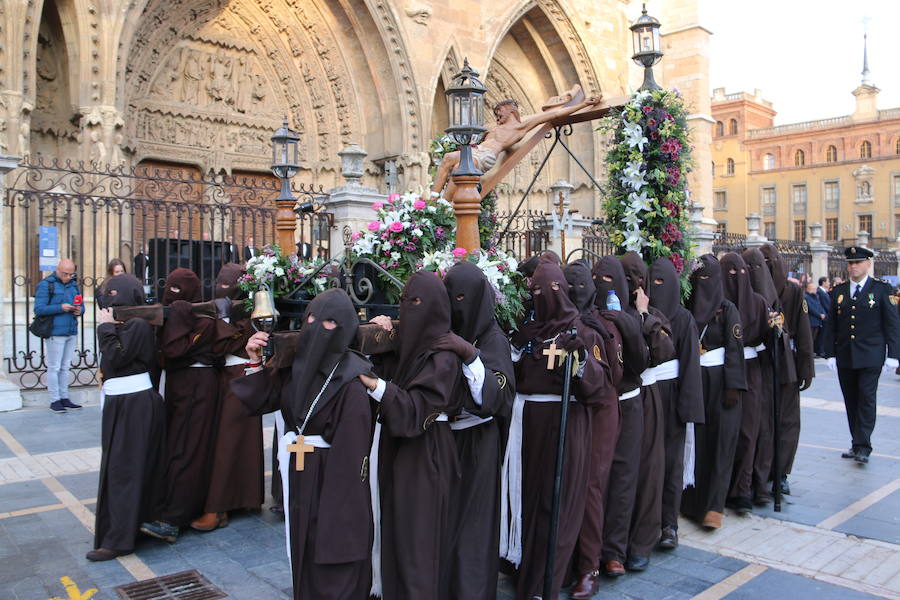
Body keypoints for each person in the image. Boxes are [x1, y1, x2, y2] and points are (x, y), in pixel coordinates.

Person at [232, 289, 375, 599]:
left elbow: (350, 463)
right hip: (301, 477)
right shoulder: (297, 367)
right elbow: (263, 400)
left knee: (331, 564)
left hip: (332, 487)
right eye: (310, 318)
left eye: (328, 322)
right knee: (303, 558)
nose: (315, 325)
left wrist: (333, 522)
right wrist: (256, 362)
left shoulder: (353, 382)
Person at [506, 259, 613, 600]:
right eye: (536, 290)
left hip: (566, 425)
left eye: (551, 289)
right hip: (529, 428)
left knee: (558, 503)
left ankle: (545, 584)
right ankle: (528, 573)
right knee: (529, 500)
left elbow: (599, 388)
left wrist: (581, 362)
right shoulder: (527, 330)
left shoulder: (580, 330)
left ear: (563, 290)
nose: (543, 296)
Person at [361, 270, 466, 599]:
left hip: (428, 452)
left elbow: (417, 410)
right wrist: (377, 339)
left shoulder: (444, 356)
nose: (409, 308)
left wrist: (375, 385)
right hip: (396, 448)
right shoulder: (405, 344)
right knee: (394, 529)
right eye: (405, 301)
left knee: (420, 539)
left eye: (417, 301)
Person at [441, 261, 516, 600]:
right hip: (446, 440)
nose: (458, 305)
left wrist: (470, 359)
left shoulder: (493, 339)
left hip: (478, 442)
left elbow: (499, 396)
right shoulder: (443, 330)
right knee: (446, 519)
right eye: (450, 297)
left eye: (463, 297)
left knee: (474, 521)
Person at [88, 274, 165, 561]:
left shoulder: (138, 325)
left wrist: (106, 329)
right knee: (119, 468)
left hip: (135, 405)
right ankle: (125, 529)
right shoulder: (126, 325)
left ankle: (120, 539)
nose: (107, 299)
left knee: (126, 471)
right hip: (121, 402)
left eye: (112, 294)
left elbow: (117, 358)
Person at [141, 268, 219, 543]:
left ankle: (175, 517)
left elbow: (175, 350)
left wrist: (180, 317)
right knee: (173, 447)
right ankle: (165, 507)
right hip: (176, 387)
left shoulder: (204, 319)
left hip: (197, 387)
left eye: (177, 290)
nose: (170, 296)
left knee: (188, 450)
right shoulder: (170, 315)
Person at [565, 260, 625, 596]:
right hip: (567, 412)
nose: (576, 292)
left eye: (582, 285)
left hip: (599, 411)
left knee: (590, 485)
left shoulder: (604, 324)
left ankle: (590, 566)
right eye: (567, 285)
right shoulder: (556, 320)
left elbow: (611, 376)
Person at [431, 87, 601, 200]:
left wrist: (584, 104)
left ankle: (444, 205)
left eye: (500, 112)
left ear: (511, 110)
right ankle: (433, 200)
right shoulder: (492, 126)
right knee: (448, 158)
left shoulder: (520, 127)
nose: (497, 116)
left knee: (461, 168)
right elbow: (466, 130)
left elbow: (555, 115)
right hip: (477, 151)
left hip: (487, 157)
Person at [192, 263, 263, 531]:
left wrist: (221, 322)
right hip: (223, 373)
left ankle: (217, 508)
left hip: (242, 372)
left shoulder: (250, 309)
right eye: (220, 282)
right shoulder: (216, 305)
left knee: (230, 440)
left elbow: (233, 340)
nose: (222, 287)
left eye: (228, 282)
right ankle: (243, 497)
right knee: (226, 439)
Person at [682, 254, 746, 530]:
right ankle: (692, 502)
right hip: (695, 381)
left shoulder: (727, 309)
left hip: (721, 383)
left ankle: (714, 507)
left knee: (721, 443)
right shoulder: (686, 305)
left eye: (708, 278)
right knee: (697, 441)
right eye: (699, 278)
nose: (703, 284)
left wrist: (733, 385)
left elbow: (735, 348)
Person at [824, 246, 900, 463]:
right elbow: (831, 325)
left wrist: (893, 354)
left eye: (858, 262)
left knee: (866, 399)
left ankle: (864, 446)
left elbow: (892, 324)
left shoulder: (881, 290)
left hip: (871, 356)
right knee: (851, 400)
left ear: (868, 264)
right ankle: (856, 442)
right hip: (846, 355)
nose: (853, 266)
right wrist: (830, 353)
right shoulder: (839, 292)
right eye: (850, 263)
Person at [647, 257, 703, 549]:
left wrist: (689, 407)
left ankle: (669, 524)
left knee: (671, 462)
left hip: (671, 396)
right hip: (646, 393)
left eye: (661, 283)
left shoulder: (683, 319)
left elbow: (691, 365)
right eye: (651, 281)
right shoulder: (641, 313)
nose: (656, 288)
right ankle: (646, 521)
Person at [760, 244, 814, 495]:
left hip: (787, 365)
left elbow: (803, 332)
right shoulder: (754, 287)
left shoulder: (792, 290)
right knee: (766, 421)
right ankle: (766, 469)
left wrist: (806, 368)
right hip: (762, 363)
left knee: (787, 421)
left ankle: (781, 472)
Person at [720, 253, 769, 516]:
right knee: (727, 431)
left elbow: (764, 336)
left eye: (739, 272)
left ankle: (743, 489)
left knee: (748, 432)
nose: (735, 278)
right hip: (724, 370)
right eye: (729, 273)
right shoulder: (717, 302)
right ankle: (723, 487)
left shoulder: (758, 303)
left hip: (751, 370)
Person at [34, 258, 83, 413]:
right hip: (55, 331)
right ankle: (55, 400)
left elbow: (81, 305)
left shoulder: (73, 285)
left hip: (71, 330)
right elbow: (39, 309)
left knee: (65, 366)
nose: (68, 277)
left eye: (71, 274)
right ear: (58, 269)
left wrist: (79, 310)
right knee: (54, 367)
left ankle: (64, 397)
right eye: (65, 274)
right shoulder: (45, 284)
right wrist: (60, 307)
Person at [805, 280, 826, 360]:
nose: (815, 290)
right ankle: (810, 352)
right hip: (812, 320)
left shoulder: (816, 296)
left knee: (815, 338)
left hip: (817, 321)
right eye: (813, 288)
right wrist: (819, 315)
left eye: (815, 288)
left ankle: (814, 351)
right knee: (810, 337)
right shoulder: (806, 297)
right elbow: (810, 308)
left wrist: (823, 313)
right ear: (808, 289)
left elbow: (820, 306)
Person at [815, 277, 832, 357]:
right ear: (824, 282)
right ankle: (820, 351)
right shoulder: (819, 292)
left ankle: (822, 350)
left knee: (824, 334)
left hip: (826, 316)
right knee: (822, 335)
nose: (829, 283)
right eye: (828, 281)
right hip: (824, 316)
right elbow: (824, 304)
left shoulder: (824, 292)